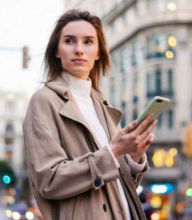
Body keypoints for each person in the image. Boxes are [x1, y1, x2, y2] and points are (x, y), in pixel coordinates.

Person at [23, 9, 157, 220]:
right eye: (69, 41)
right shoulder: (44, 100)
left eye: (88, 42)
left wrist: (134, 154)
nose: (79, 50)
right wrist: (112, 151)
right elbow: (48, 181)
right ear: (56, 51)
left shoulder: (101, 104)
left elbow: (117, 185)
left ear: (98, 53)